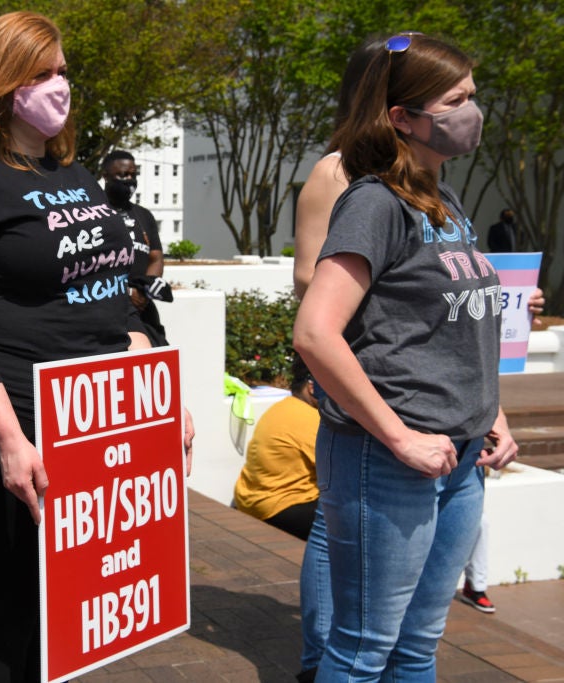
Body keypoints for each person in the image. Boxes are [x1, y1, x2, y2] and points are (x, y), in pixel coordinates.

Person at [0, 12, 194, 682]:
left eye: (64, 72)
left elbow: (110, 297)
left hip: (94, 419)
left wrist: (156, 394)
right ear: (1, 80)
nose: (59, 86)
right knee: (5, 614)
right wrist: (10, 441)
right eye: (41, 73)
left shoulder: (73, 176)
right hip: (14, 422)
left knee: (66, 614)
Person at [291, 35, 545, 683]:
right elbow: (316, 332)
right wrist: (400, 435)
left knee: (418, 643)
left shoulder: (447, 202)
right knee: (362, 648)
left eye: (473, 96)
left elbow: (457, 323)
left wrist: (493, 414)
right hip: (390, 460)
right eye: (455, 99)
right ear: (402, 117)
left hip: (460, 459)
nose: (473, 111)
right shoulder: (375, 203)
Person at [232, 354, 319, 540]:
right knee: (353, 513)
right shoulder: (309, 419)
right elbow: (337, 471)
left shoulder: (281, 408)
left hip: (249, 499)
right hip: (279, 507)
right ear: (312, 388)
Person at [100, 149, 173, 346]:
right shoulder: (94, 212)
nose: (129, 179)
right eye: (122, 174)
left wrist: (145, 291)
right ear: (105, 176)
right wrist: (125, 293)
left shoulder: (144, 215)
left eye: (133, 174)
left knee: (157, 356)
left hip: (143, 310)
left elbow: (155, 258)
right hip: (106, 306)